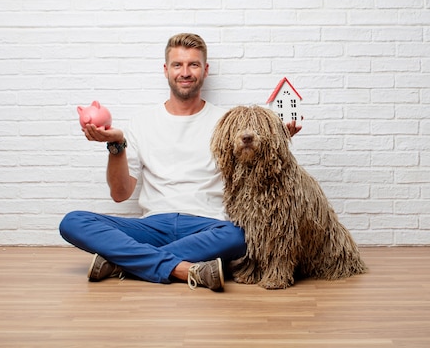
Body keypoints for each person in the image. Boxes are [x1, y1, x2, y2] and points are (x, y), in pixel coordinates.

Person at [59, 33, 301, 291]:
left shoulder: (228, 123)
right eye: (178, 65)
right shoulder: (141, 122)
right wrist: (116, 145)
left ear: (205, 70)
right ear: (166, 70)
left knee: (241, 236)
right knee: (73, 221)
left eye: (193, 65)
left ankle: (123, 263)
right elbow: (120, 194)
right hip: (153, 224)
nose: (185, 72)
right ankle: (185, 269)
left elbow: (254, 178)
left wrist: (276, 143)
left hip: (209, 226)